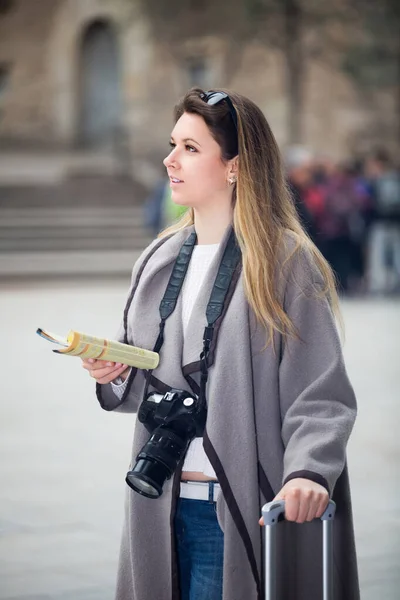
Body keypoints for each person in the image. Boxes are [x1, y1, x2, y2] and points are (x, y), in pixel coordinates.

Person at [81, 88, 359, 600]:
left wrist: (309, 472)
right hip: (157, 504)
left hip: (237, 507)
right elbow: (158, 383)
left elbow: (320, 392)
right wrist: (114, 370)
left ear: (234, 165)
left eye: (190, 147)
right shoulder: (159, 258)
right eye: (172, 144)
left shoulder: (284, 260)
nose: (170, 159)